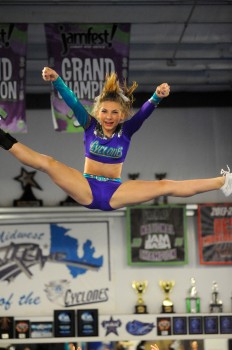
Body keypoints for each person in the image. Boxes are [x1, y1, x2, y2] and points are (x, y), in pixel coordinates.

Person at [0, 67, 231, 211]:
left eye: (114, 113)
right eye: (104, 112)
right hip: (86, 186)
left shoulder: (127, 130)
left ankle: (223, 182)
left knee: (164, 186)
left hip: (114, 192)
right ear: (97, 112)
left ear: (122, 115)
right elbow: (72, 101)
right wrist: (56, 79)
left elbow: (144, 112)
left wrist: (156, 97)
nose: (109, 117)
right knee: (48, 163)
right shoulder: (89, 124)